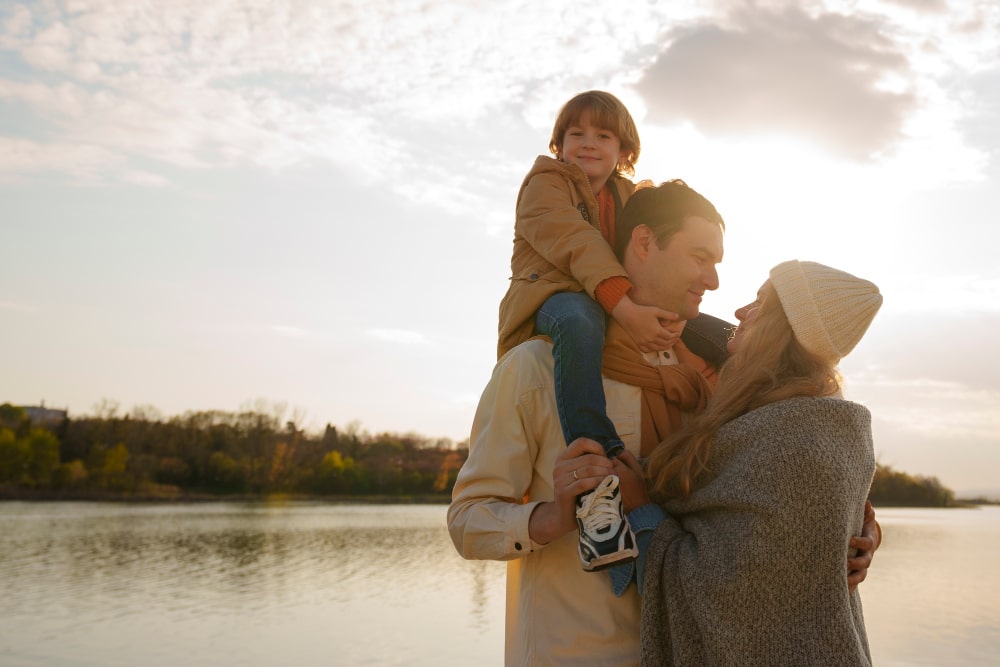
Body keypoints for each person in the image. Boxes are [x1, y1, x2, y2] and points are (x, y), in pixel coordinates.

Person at [449, 181, 881, 666]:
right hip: (574, 651)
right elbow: (467, 522)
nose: (714, 281)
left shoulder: (719, 381)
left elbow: (783, 486)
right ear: (644, 242)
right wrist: (550, 517)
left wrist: (856, 534)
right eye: (700, 256)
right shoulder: (536, 369)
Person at [608, 260, 882, 666]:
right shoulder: (829, 425)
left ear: (781, 329)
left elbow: (729, 594)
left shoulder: (792, 438)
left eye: (759, 304)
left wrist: (640, 510)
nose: (739, 313)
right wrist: (868, 531)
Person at [497, 90, 676, 570]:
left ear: (625, 152)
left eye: (603, 135)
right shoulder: (545, 184)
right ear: (559, 144)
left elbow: (660, 235)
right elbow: (578, 244)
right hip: (550, 299)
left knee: (696, 328)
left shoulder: (627, 196)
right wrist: (627, 306)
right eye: (575, 133)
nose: (588, 143)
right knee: (578, 318)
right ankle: (598, 472)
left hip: (609, 301)